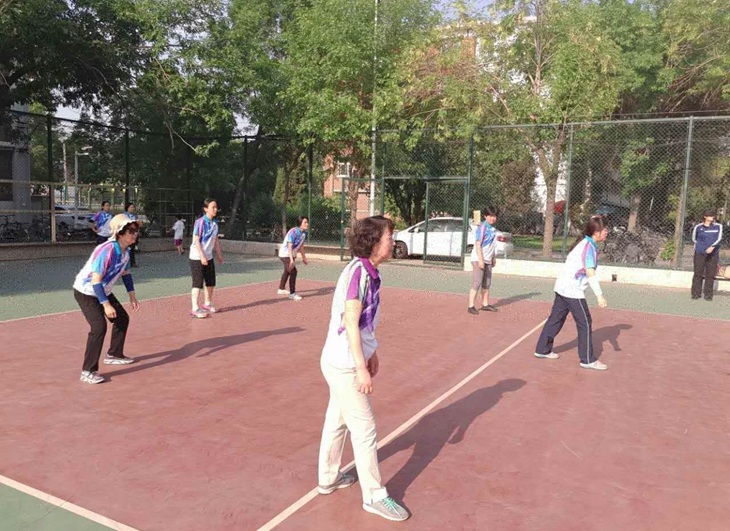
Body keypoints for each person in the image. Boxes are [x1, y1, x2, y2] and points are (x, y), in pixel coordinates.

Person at [317, 215, 410, 522]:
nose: (392, 242)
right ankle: (374, 495)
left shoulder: (368, 271)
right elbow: (350, 321)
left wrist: (373, 352)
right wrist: (360, 367)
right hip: (344, 364)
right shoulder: (359, 273)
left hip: (341, 359)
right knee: (365, 428)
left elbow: (364, 323)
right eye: (388, 237)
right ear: (373, 242)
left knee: (337, 420)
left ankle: (328, 477)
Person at [534, 215, 609, 371]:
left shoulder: (585, 243)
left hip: (563, 287)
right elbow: (590, 273)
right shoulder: (588, 247)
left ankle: (542, 349)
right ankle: (587, 359)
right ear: (596, 232)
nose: (606, 232)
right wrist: (599, 295)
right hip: (572, 290)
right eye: (604, 229)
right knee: (585, 322)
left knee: (556, 318)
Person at [73, 214, 140, 384]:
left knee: (122, 319)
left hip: (103, 290)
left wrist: (132, 295)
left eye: (136, 230)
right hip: (87, 291)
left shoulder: (126, 252)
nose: (135, 233)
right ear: (119, 233)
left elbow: (126, 274)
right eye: (131, 230)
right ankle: (88, 371)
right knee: (99, 327)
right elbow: (96, 281)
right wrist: (106, 304)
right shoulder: (106, 250)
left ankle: (114, 354)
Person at [189, 199, 224, 318]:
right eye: (213, 207)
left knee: (210, 282)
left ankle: (207, 303)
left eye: (216, 207)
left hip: (209, 257)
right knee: (197, 282)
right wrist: (202, 256)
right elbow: (196, 240)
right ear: (205, 209)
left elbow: (216, 240)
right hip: (196, 256)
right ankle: (195, 308)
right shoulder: (200, 222)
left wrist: (219, 254)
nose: (215, 209)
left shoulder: (215, 224)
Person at [467, 207, 499, 315]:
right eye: (490, 216)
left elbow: (492, 245)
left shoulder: (493, 230)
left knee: (487, 283)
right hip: (478, 259)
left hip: (488, 260)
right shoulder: (481, 228)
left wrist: (493, 258)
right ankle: (471, 306)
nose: (492, 218)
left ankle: (485, 304)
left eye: (494, 216)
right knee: (477, 282)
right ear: (485, 216)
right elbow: (478, 244)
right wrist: (481, 260)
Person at [691, 209, 722, 301]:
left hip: (713, 254)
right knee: (698, 273)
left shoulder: (718, 226)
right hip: (700, 253)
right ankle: (696, 293)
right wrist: (699, 246)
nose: (712, 217)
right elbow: (694, 238)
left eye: (713, 215)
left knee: (710, 274)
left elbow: (719, 238)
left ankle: (708, 295)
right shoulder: (698, 227)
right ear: (705, 217)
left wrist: (712, 247)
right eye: (710, 215)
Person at [277, 216, 309, 301]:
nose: (307, 224)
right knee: (293, 271)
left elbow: (301, 246)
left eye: (307, 222)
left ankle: (281, 289)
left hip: (291, 255)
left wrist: (304, 258)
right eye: (305, 222)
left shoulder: (304, 233)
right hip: (285, 254)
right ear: (300, 223)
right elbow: (289, 246)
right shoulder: (293, 232)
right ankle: (292, 294)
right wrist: (291, 260)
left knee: (287, 271)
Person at [124, 203, 139, 267]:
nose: (132, 208)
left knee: (132, 248)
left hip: (133, 234)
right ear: (127, 208)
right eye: (131, 207)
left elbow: (137, 224)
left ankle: (132, 262)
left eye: (133, 207)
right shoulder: (124, 215)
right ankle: (125, 262)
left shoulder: (135, 216)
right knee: (126, 248)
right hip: (126, 234)